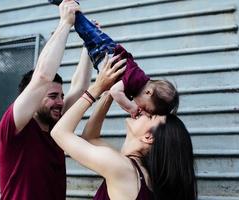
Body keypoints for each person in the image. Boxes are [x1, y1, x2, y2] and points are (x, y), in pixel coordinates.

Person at [50, 54, 197, 200]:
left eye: (150, 116)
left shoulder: (123, 169)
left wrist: (96, 89)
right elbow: (90, 138)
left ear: (148, 137)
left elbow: (59, 132)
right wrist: (109, 92)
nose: (143, 110)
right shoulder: (142, 175)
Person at [0, 1, 92, 199]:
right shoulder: (13, 130)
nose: (60, 102)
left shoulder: (55, 127)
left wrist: (89, 44)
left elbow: (80, 87)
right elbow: (42, 77)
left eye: (61, 96)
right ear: (33, 98)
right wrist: (65, 23)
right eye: (52, 96)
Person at [74, 8, 179, 118]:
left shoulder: (136, 86)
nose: (141, 110)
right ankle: (71, 7)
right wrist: (131, 108)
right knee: (82, 26)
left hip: (101, 54)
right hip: (105, 49)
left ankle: (78, 16)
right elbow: (115, 92)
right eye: (145, 108)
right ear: (148, 92)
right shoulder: (136, 81)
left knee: (85, 31)